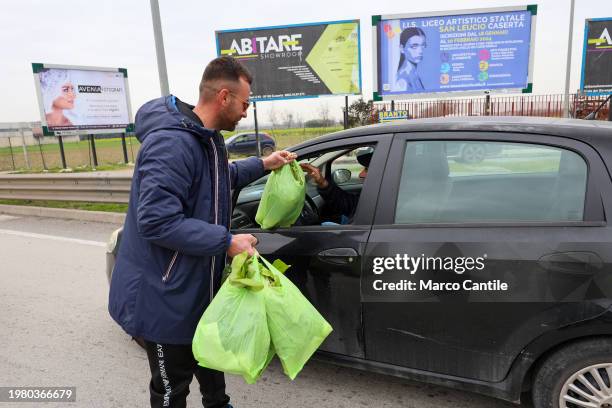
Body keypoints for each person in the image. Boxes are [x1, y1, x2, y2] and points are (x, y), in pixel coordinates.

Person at [108, 56, 296, 408]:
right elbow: (157, 221)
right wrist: (226, 242)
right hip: (165, 297)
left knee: (214, 384)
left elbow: (219, 177)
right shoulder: (173, 143)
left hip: (198, 292)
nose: (246, 111)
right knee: (170, 392)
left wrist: (265, 164)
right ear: (224, 97)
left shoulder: (205, 139)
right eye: (245, 102)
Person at [300, 149, 372, 222]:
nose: (360, 174)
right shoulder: (374, 196)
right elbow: (350, 204)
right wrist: (322, 182)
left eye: (366, 169)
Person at [394, 27, 426, 92]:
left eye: (423, 45)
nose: (420, 51)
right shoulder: (403, 80)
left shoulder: (413, 74)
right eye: (414, 46)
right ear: (402, 48)